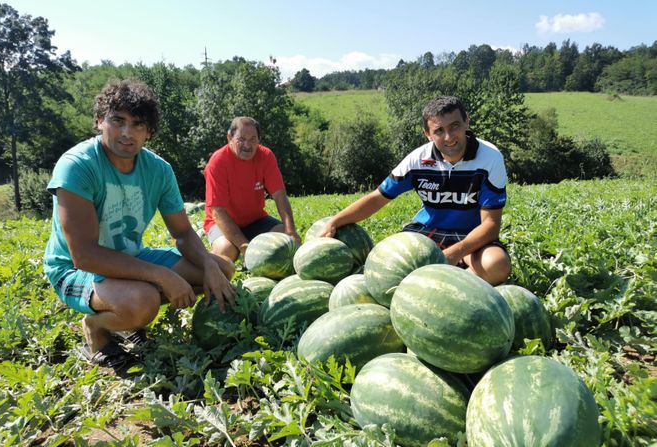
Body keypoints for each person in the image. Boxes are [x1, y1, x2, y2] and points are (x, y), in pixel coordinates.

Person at [43, 79, 236, 369]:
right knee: (142, 301)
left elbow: (183, 232)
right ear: (99, 121)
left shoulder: (158, 170)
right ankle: (97, 329)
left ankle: (125, 313)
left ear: (149, 132)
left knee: (222, 269)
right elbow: (84, 255)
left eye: (138, 125)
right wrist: (161, 276)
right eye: (117, 121)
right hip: (73, 268)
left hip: (129, 258)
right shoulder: (77, 166)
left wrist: (209, 265)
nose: (126, 133)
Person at [321, 96, 511, 285]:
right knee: (389, 269)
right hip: (427, 233)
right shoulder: (418, 160)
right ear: (427, 134)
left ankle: (442, 287)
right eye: (439, 130)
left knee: (497, 265)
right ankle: (441, 281)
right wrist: (336, 221)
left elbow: (490, 225)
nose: (449, 137)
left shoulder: (490, 157)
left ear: (466, 121)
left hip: (471, 236)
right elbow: (378, 198)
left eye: (454, 126)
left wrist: (455, 253)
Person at [203, 116, 300, 263]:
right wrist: (244, 246)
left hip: (256, 220)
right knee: (226, 251)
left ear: (259, 140)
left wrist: (290, 230)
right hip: (222, 223)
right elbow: (218, 212)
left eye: (253, 139)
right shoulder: (217, 162)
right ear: (230, 137)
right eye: (241, 139)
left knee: (284, 240)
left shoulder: (266, 156)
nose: (247, 145)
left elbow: (280, 195)